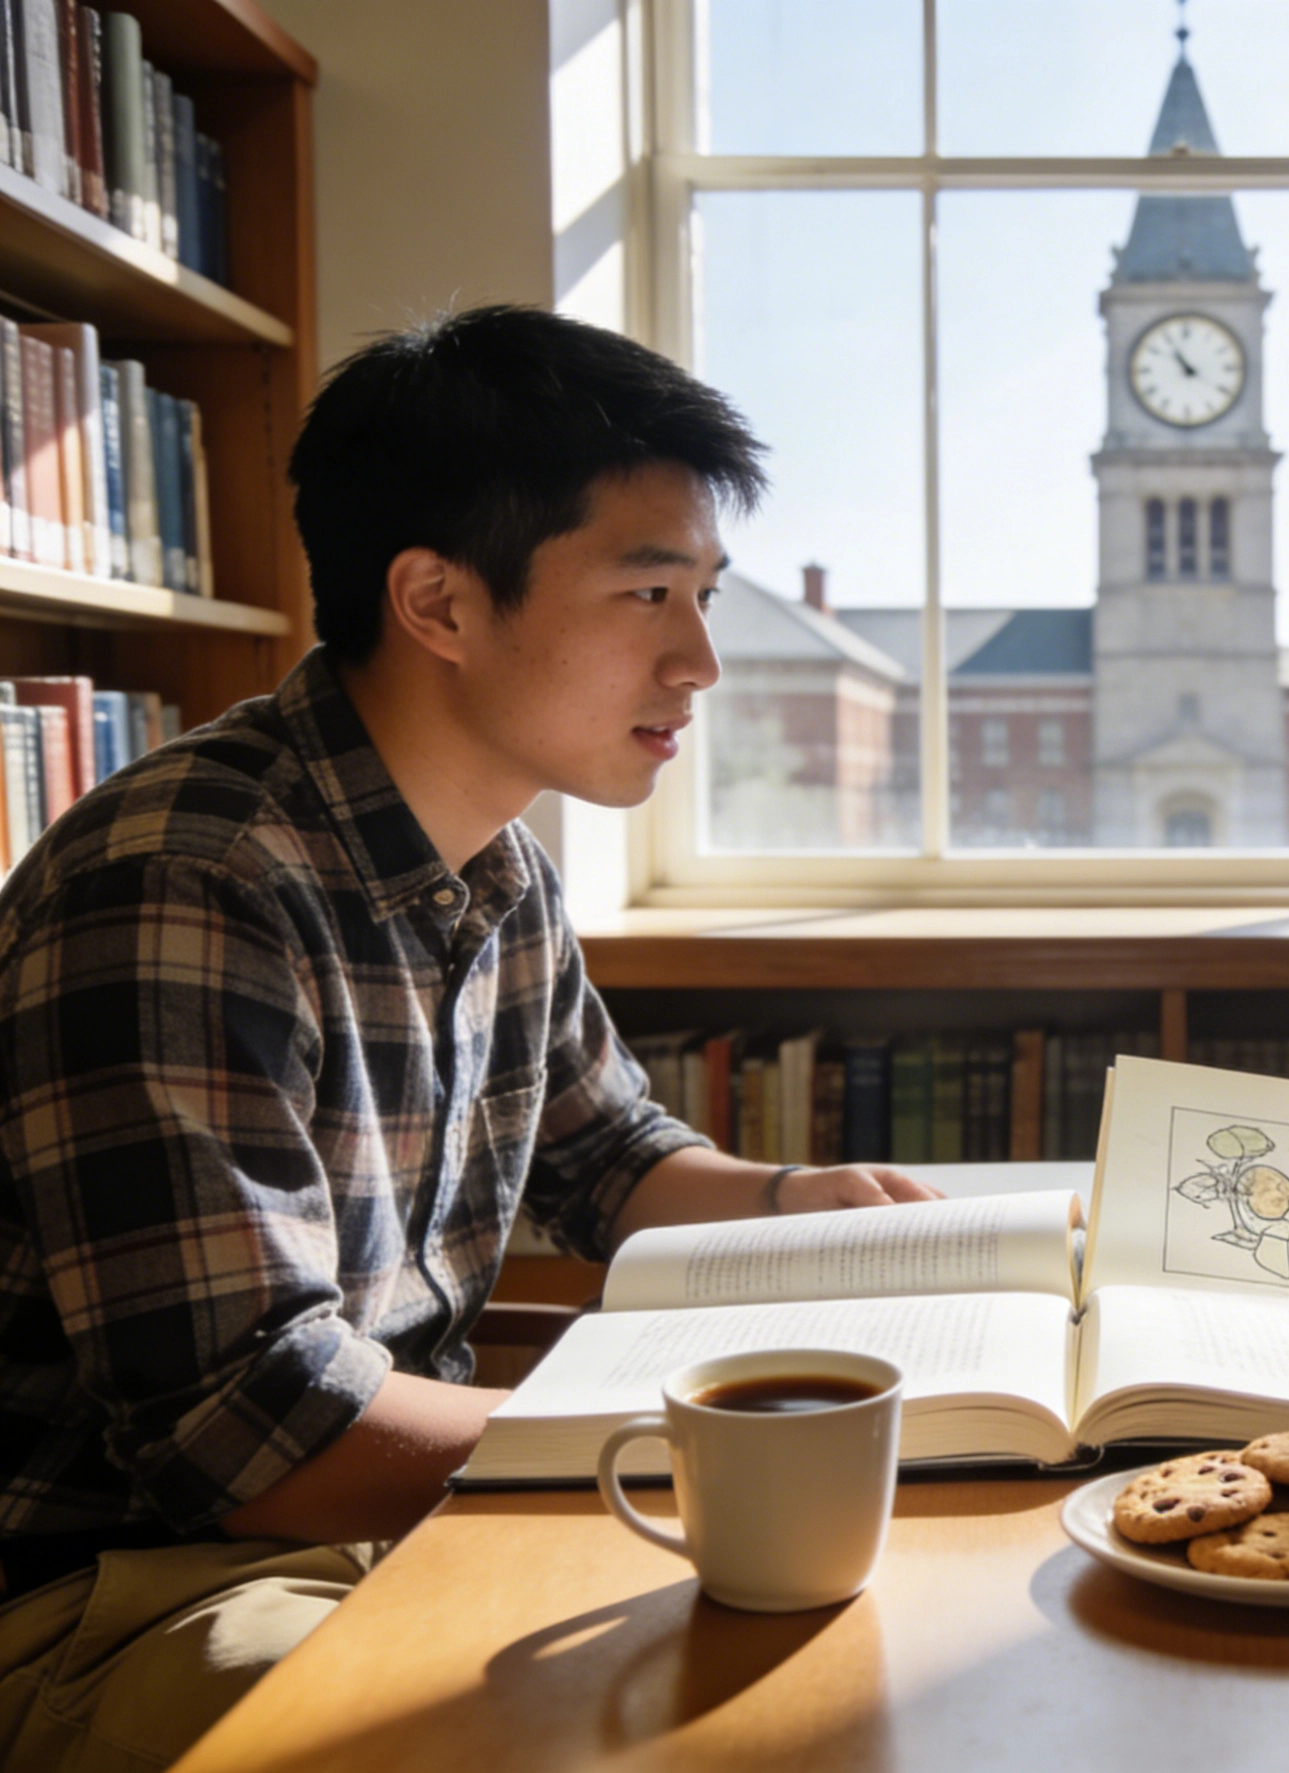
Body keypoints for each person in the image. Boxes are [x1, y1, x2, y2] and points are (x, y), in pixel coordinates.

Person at [0, 305, 935, 1770]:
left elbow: (608, 1155)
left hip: (376, 1522)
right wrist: (682, 1442)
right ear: (438, 602)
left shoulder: (497, 864)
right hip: (119, 1592)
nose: (700, 661)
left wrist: (797, 1204)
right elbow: (243, 1430)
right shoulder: (188, 881)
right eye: (648, 594)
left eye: (707, 595)